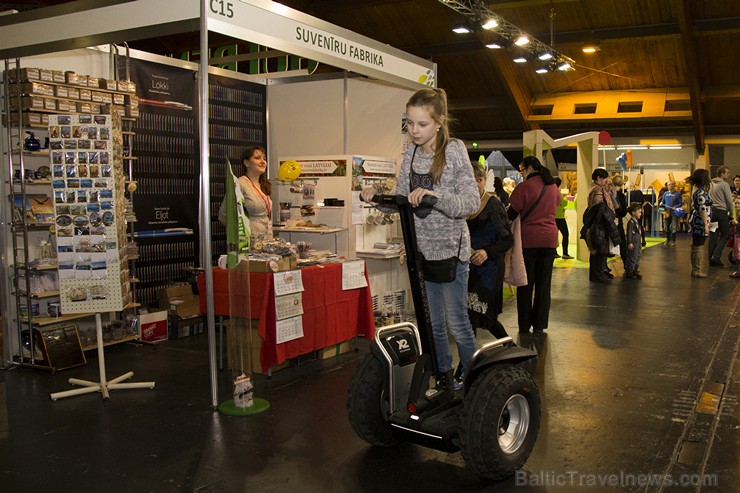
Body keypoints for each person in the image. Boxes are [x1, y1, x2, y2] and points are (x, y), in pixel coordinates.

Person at [360, 88, 479, 391]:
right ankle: (443, 377)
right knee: (432, 325)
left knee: (458, 324)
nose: (414, 131)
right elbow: (402, 198)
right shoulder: (411, 151)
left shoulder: (453, 150)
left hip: (452, 254)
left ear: (439, 122)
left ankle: (476, 377)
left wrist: (433, 196)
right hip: (421, 253)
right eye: (409, 123)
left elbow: (469, 203)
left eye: (421, 124)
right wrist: (377, 198)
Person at [507, 156, 560, 333]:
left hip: (529, 241)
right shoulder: (552, 186)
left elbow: (511, 213)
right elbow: (557, 204)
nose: (522, 173)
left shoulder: (524, 187)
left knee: (525, 284)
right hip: (550, 240)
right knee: (544, 285)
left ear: (529, 168)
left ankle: (524, 325)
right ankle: (540, 324)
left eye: (522, 170)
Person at [467, 162, 513, 339]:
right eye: (471, 179)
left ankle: (468, 362)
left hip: (490, 269)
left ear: (485, 181)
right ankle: (469, 359)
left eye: (479, 179)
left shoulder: (493, 204)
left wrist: (487, 252)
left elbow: (508, 239)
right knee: (471, 316)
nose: (476, 183)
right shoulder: (463, 205)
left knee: (482, 315)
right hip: (469, 268)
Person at [218, 145, 273, 240]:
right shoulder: (240, 184)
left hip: (266, 241)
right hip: (248, 243)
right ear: (246, 163)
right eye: (257, 158)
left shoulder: (264, 185)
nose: (263, 161)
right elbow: (223, 215)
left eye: (264, 158)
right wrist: (240, 235)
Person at [582, 168, 621, 283]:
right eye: (604, 178)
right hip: (600, 224)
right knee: (598, 250)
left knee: (600, 250)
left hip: (599, 223)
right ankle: (597, 274)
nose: (606, 181)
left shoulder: (598, 189)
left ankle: (599, 273)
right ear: (598, 178)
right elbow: (599, 208)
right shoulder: (597, 190)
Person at [686, 168, 712, 278]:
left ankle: (695, 269)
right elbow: (702, 209)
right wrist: (706, 224)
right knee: (699, 246)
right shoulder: (700, 193)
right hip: (700, 222)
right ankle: (696, 270)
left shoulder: (697, 192)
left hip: (697, 221)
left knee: (696, 245)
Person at [708, 166, 734, 266]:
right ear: (722, 174)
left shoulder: (711, 183)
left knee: (713, 235)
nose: (728, 174)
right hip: (721, 212)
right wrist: (732, 214)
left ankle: (711, 259)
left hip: (712, 212)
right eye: (727, 172)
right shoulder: (724, 184)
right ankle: (716, 256)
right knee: (725, 234)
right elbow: (729, 200)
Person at [624, 202, 646, 279]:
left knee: (637, 256)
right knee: (632, 257)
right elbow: (629, 233)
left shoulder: (637, 222)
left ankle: (635, 270)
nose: (640, 214)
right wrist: (629, 242)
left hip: (638, 242)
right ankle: (630, 271)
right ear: (633, 213)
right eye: (639, 212)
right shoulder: (631, 222)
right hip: (633, 241)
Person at [553, 177, 573, 259]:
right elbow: (564, 203)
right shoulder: (558, 193)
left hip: (553, 217)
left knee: (554, 235)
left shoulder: (550, 192)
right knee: (565, 234)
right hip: (560, 217)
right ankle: (565, 253)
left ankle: (554, 252)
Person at [658, 181, 683, 246]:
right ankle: (667, 239)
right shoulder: (665, 193)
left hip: (674, 212)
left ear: (674, 185)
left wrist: (676, 207)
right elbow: (663, 201)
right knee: (666, 226)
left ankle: (672, 240)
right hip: (666, 211)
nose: (670, 186)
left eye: (671, 185)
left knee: (673, 226)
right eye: (668, 185)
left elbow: (680, 203)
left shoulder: (678, 194)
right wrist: (661, 203)